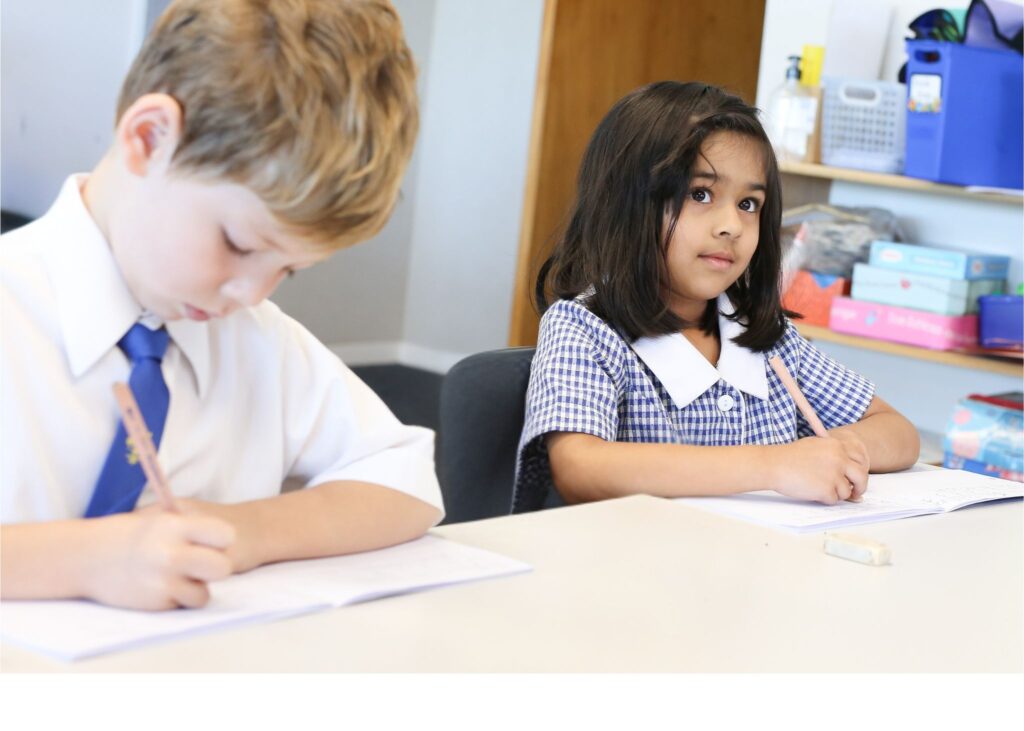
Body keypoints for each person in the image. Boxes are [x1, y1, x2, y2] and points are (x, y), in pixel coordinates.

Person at [0, 0, 444, 610]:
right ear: (150, 138)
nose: (253, 293)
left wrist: (241, 531)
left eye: (288, 269)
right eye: (238, 243)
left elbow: (405, 479)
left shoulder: (258, 339)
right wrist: (85, 559)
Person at [513, 81, 919, 512]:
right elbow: (580, 469)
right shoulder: (586, 329)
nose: (732, 225)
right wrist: (773, 465)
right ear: (625, 204)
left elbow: (898, 432)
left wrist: (842, 449)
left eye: (748, 204)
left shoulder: (764, 336)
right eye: (700, 194)